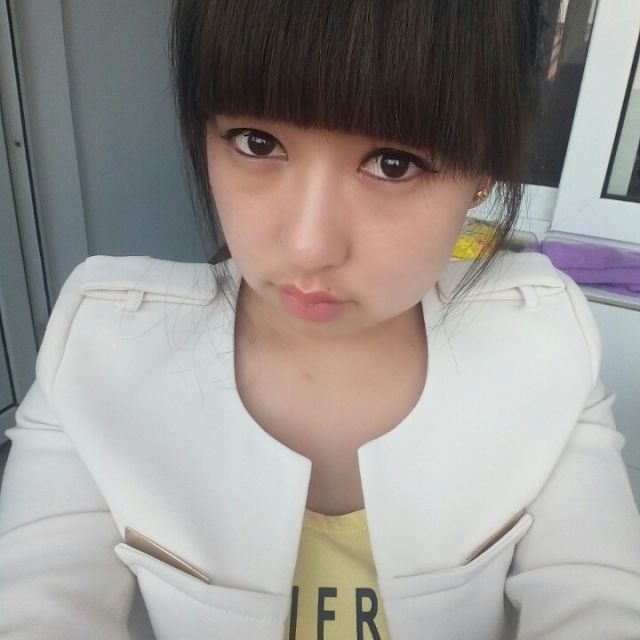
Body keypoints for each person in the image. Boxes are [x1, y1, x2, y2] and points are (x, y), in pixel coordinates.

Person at [1, 1, 639, 638]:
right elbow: (38, 603)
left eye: (393, 162)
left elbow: (599, 599)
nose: (308, 246)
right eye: (258, 143)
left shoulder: (543, 347)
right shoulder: (97, 355)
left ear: (483, 174)